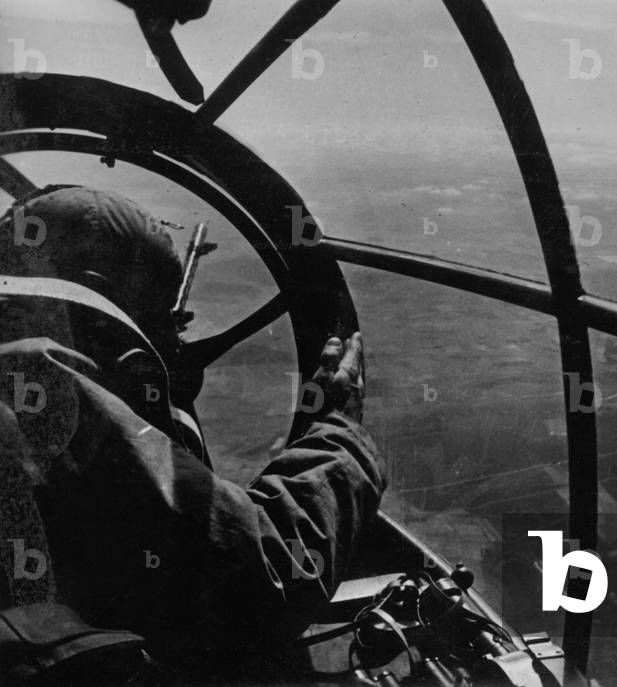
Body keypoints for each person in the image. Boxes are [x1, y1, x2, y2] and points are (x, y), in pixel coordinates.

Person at [0, 185, 385, 676]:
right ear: (97, 288)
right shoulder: (37, 381)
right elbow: (258, 580)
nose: (173, 344)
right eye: (162, 321)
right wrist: (342, 433)